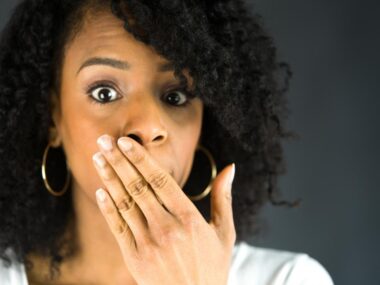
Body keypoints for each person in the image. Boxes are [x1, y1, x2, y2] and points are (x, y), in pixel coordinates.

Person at [0, 0, 334, 284]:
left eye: (175, 96)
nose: (147, 127)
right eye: (105, 92)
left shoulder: (290, 278)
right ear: (53, 117)